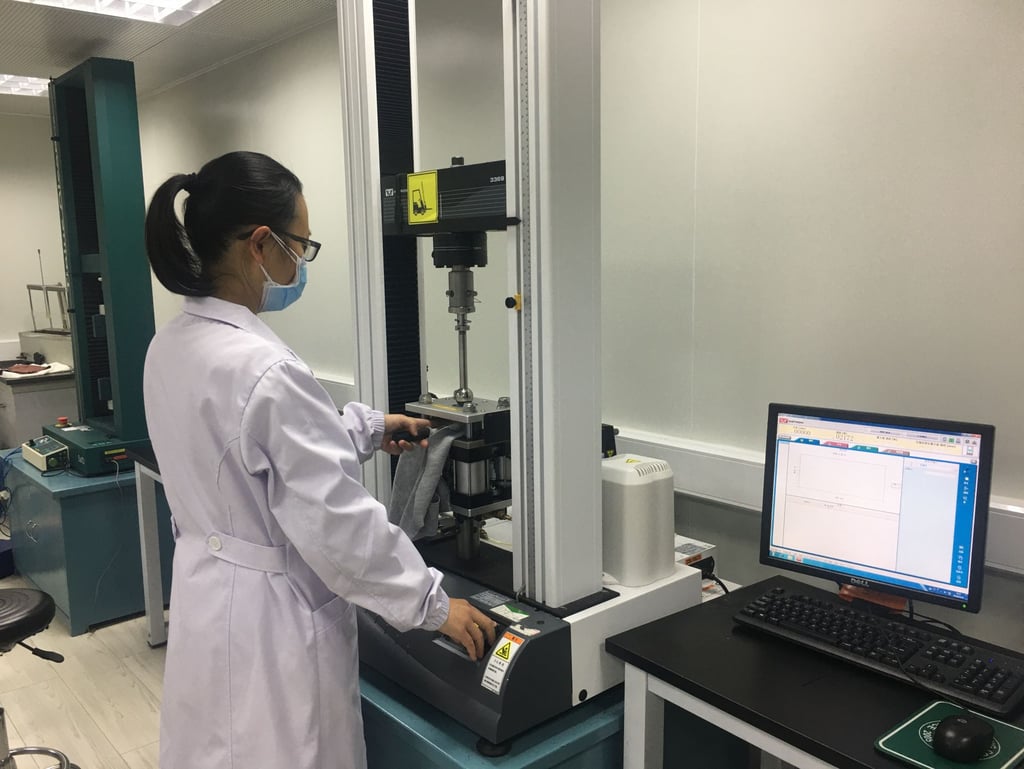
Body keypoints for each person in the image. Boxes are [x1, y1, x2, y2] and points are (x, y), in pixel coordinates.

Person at [142, 150, 496, 769]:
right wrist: (433, 606)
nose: (301, 263)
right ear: (260, 244)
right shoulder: (264, 369)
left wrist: (364, 428)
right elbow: (338, 525)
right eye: (300, 246)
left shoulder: (171, 345)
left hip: (209, 601)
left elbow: (253, 452)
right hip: (272, 623)